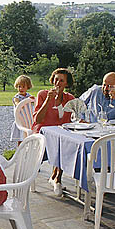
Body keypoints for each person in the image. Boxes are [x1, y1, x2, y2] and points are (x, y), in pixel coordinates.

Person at [32, 68, 75, 196]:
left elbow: (75, 118)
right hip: (43, 132)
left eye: (62, 81)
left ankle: (57, 178)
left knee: (67, 142)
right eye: (56, 79)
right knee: (60, 142)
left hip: (61, 134)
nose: (58, 83)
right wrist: (47, 101)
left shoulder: (70, 99)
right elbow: (37, 119)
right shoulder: (43, 94)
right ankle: (55, 178)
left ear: (67, 84)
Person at [10, 75, 34, 145]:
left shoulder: (28, 96)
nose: (21, 88)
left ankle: (28, 151)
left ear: (28, 87)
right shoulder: (16, 97)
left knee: (29, 138)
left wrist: (32, 99)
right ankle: (20, 151)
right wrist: (21, 103)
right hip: (21, 120)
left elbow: (34, 102)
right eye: (19, 86)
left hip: (29, 120)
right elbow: (18, 105)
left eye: (23, 87)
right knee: (21, 139)